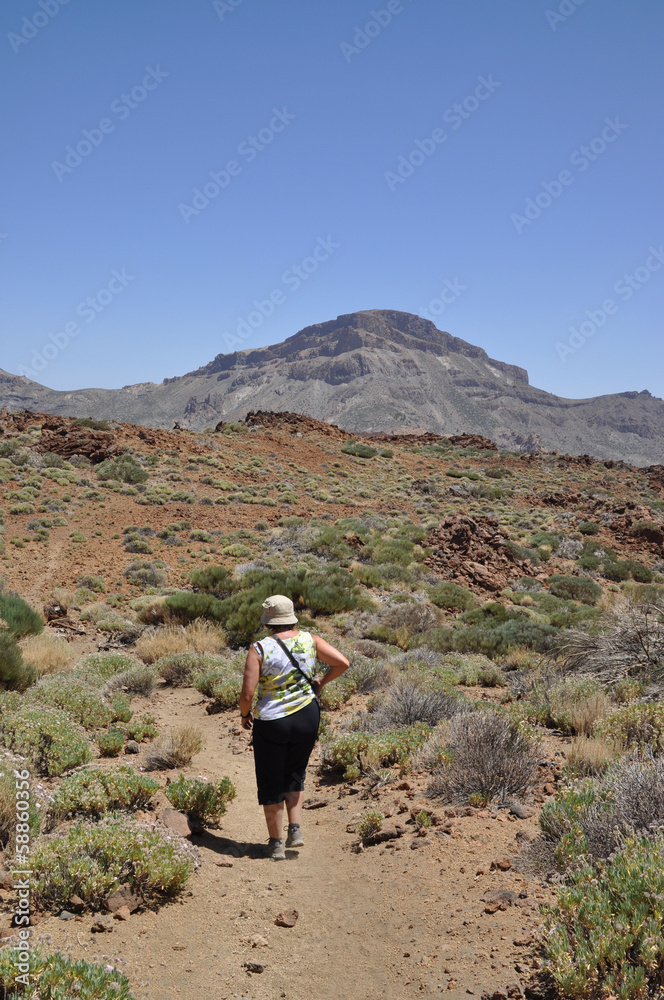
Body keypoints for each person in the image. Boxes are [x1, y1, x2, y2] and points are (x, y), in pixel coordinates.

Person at [240, 594, 350, 860]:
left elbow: (247, 694)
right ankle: (295, 830)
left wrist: (244, 715)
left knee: (270, 779)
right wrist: (321, 681)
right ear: (290, 617)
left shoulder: (260, 648)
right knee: (296, 771)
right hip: (307, 716)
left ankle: (276, 843)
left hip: (272, 721)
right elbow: (342, 663)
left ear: (268, 622)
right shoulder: (309, 639)